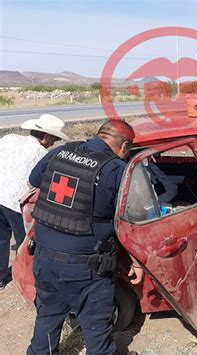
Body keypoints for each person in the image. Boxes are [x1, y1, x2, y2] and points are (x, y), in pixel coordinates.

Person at [27, 120, 144, 355]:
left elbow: (34, 181)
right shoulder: (116, 170)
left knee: (47, 319)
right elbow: (132, 219)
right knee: (97, 328)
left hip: (44, 260)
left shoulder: (60, 152)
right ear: (125, 146)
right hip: (86, 270)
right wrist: (136, 260)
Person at [0, 114, 68, 290]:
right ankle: (29, 277)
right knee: (26, 242)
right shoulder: (42, 154)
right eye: (54, 139)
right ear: (46, 137)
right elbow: (36, 181)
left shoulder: (9, 139)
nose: (54, 143)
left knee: (0, 238)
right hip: (16, 203)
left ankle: (0, 277)